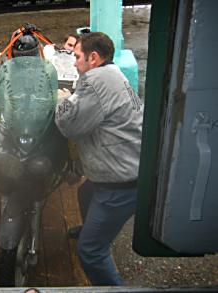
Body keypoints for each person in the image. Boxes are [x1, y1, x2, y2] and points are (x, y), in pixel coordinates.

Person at [55, 32, 143, 286]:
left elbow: (69, 126)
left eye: (77, 56)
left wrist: (62, 101)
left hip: (120, 181)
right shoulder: (112, 73)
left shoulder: (94, 81)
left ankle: (114, 287)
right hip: (131, 163)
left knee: (90, 252)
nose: (74, 63)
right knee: (85, 193)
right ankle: (90, 230)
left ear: (93, 58)